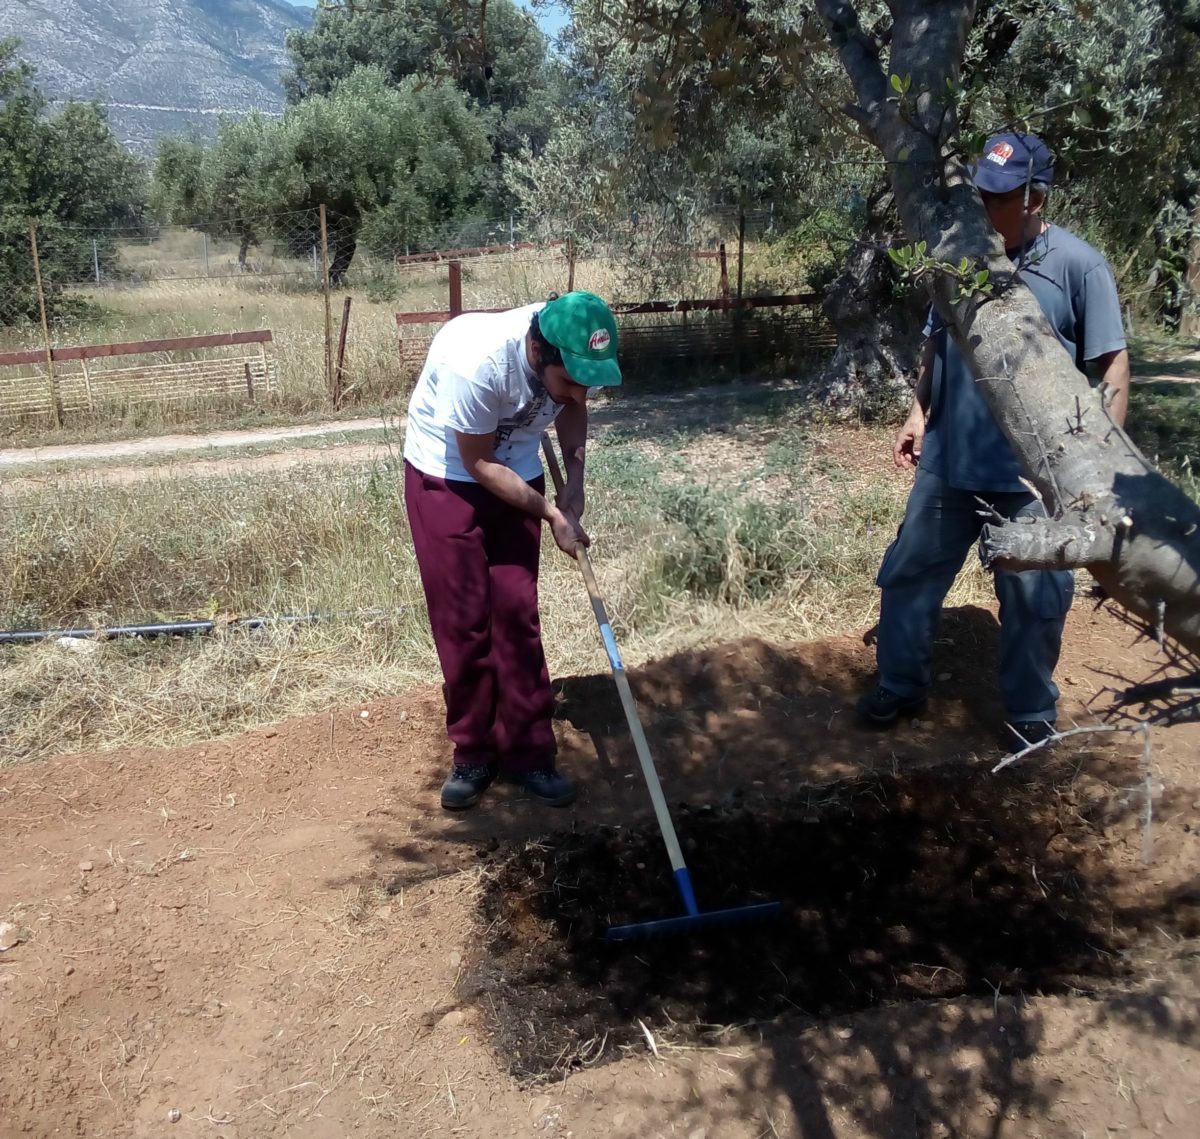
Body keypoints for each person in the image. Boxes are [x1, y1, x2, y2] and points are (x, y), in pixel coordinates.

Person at [856, 132, 1131, 749]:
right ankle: (900, 686)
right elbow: (936, 339)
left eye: (1000, 197)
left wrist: (1098, 466)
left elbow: (1112, 364)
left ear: (1037, 197)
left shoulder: (1077, 266)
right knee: (909, 575)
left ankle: (1031, 711)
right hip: (948, 463)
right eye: (980, 191)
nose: (984, 205)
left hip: (1032, 478)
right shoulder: (962, 257)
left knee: (1035, 596)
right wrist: (917, 412)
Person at [403, 291, 622, 809]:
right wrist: (550, 515)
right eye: (570, 380)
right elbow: (479, 464)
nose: (579, 392)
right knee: (464, 619)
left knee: (516, 611)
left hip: (518, 469)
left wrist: (575, 481)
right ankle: (473, 752)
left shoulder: (566, 365)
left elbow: (572, 410)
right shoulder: (476, 363)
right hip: (448, 474)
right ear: (538, 351)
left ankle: (528, 753)